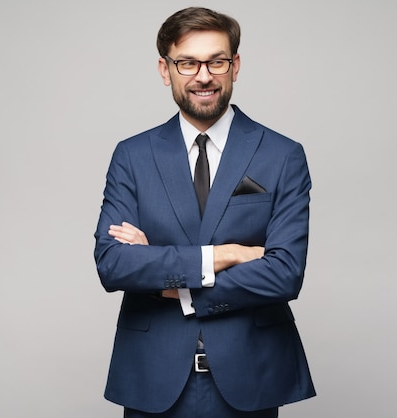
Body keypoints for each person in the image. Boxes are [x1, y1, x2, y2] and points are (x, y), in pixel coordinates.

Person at [94, 7, 315, 417]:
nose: (203, 75)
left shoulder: (282, 156)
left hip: (251, 377)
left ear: (235, 66)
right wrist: (224, 255)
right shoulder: (132, 156)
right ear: (166, 70)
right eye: (187, 62)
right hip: (152, 378)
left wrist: (170, 283)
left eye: (217, 61)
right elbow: (114, 264)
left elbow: (285, 272)